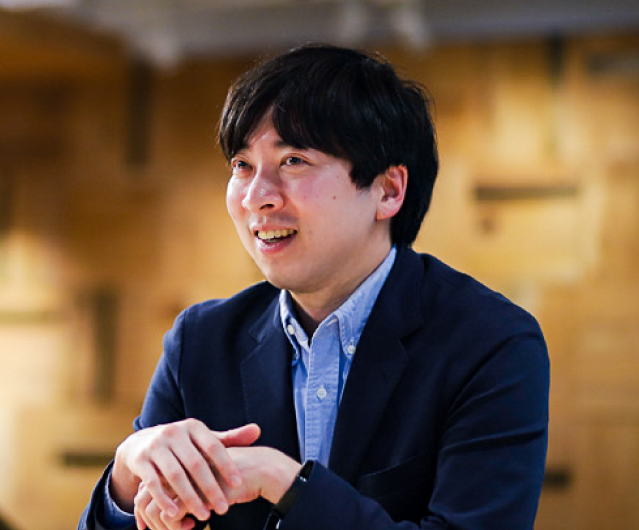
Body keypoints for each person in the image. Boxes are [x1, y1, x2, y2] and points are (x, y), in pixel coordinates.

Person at [77, 44, 549, 530]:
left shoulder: (491, 343)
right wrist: (126, 475)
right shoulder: (200, 342)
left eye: (294, 160)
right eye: (242, 165)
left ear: (388, 190)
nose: (256, 197)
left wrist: (284, 482)